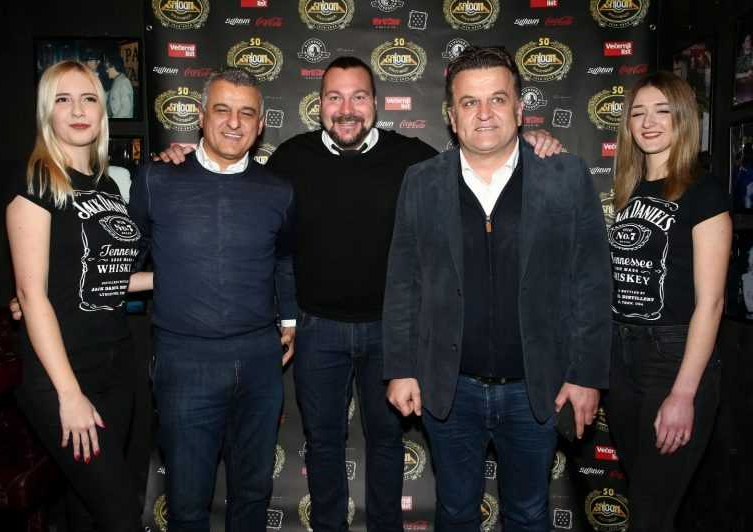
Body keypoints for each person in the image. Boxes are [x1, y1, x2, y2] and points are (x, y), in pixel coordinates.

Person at [157, 56, 561, 532]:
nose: (346, 109)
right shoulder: (290, 159)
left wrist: (533, 142)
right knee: (323, 443)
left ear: (376, 103)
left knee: (388, 443)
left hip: (391, 333)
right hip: (316, 331)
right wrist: (182, 156)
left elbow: (482, 157)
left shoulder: (414, 159)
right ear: (319, 104)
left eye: (358, 97)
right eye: (334, 97)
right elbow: (251, 202)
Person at [382, 46, 611, 532]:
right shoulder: (420, 182)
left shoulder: (565, 176)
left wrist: (586, 375)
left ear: (519, 109)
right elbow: (404, 282)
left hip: (537, 389)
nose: (483, 113)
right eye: (469, 102)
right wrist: (400, 368)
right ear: (451, 116)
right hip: (450, 389)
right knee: (454, 512)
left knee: (528, 514)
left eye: (497, 99)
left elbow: (591, 282)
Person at [128, 67, 297, 532]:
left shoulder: (279, 192)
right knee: (186, 501)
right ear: (201, 116)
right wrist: (57, 293)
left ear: (260, 124)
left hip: (260, 360)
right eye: (222, 110)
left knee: (253, 494)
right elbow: (119, 262)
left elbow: (284, 260)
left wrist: (289, 321)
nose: (234, 122)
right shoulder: (156, 180)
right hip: (184, 361)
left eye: (247, 113)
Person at [6, 60, 152, 532]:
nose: (77, 111)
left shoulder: (108, 185)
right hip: (62, 375)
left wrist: (178, 277)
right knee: (121, 515)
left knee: (87, 513)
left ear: (103, 110)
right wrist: (68, 394)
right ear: (46, 112)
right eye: (63, 100)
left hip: (116, 367)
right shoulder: (36, 181)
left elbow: (105, 278)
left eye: (88, 99)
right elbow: (31, 295)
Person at [605, 71, 731, 532]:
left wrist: (683, 392)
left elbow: (711, 303)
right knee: (644, 500)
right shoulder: (628, 190)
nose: (649, 122)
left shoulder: (703, 192)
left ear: (683, 119)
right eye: (638, 113)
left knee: (651, 516)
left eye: (662, 111)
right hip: (621, 359)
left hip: (674, 359)